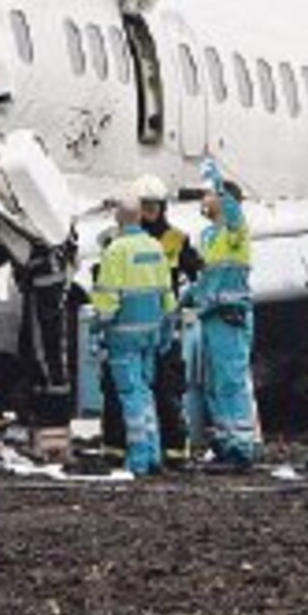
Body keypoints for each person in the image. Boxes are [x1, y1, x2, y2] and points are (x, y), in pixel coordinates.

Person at [101, 174, 201, 467]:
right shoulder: (118, 241)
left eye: (153, 207)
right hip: (140, 326)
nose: (148, 213)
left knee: (164, 389)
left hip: (157, 327)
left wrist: (186, 304)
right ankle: (119, 448)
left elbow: (196, 273)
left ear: (162, 207)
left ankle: (171, 450)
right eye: (143, 206)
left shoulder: (175, 240)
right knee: (123, 391)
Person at [91, 195, 175, 476]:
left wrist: (96, 331)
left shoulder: (115, 251)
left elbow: (107, 302)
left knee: (130, 395)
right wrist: (166, 331)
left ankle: (138, 458)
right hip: (150, 334)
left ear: (118, 218)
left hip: (123, 335)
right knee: (145, 391)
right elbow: (167, 296)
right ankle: (153, 453)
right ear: (140, 216)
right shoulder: (155, 247)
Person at [182, 161, 256, 467]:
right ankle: (226, 444)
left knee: (231, 383)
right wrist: (182, 299)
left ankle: (241, 447)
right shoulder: (209, 237)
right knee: (215, 385)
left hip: (230, 318)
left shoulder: (235, 232)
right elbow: (206, 280)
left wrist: (218, 182)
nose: (204, 199)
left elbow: (235, 215)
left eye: (208, 195)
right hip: (211, 319)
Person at [0, 234, 75, 426]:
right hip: (49, 281)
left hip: (41, 285)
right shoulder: (45, 222)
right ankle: (46, 413)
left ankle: (51, 416)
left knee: (42, 351)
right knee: (40, 349)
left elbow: (7, 245)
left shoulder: (24, 223)